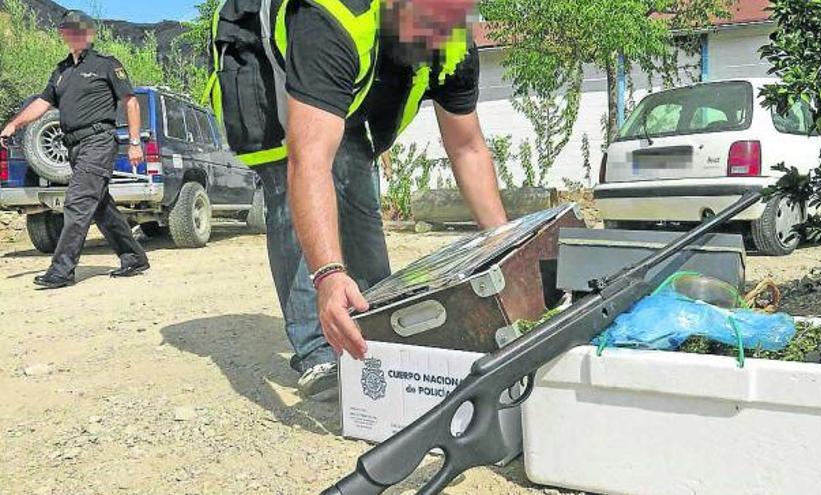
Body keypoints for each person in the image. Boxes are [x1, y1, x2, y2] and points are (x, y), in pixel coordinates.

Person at [211, 0, 507, 398]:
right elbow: (310, 161)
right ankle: (316, 348)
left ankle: (374, 328)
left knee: (358, 195)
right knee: (289, 193)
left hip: (344, 83)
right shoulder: (332, 19)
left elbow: (468, 149)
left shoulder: (450, 40)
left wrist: (505, 248)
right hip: (264, 69)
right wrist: (329, 275)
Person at [0, 11, 150, 289]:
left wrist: (134, 143)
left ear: (89, 33)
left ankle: (62, 270)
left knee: (78, 202)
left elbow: (130, 102)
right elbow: (42, 104)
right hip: (74, 146)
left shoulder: (106, 65)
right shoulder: (61, 72)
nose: (75, 35)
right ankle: (134, 257)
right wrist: (14, 124)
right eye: (70, 30)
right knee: (101, 207)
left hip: (99, 141)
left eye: (81, 30)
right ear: (63, 34)